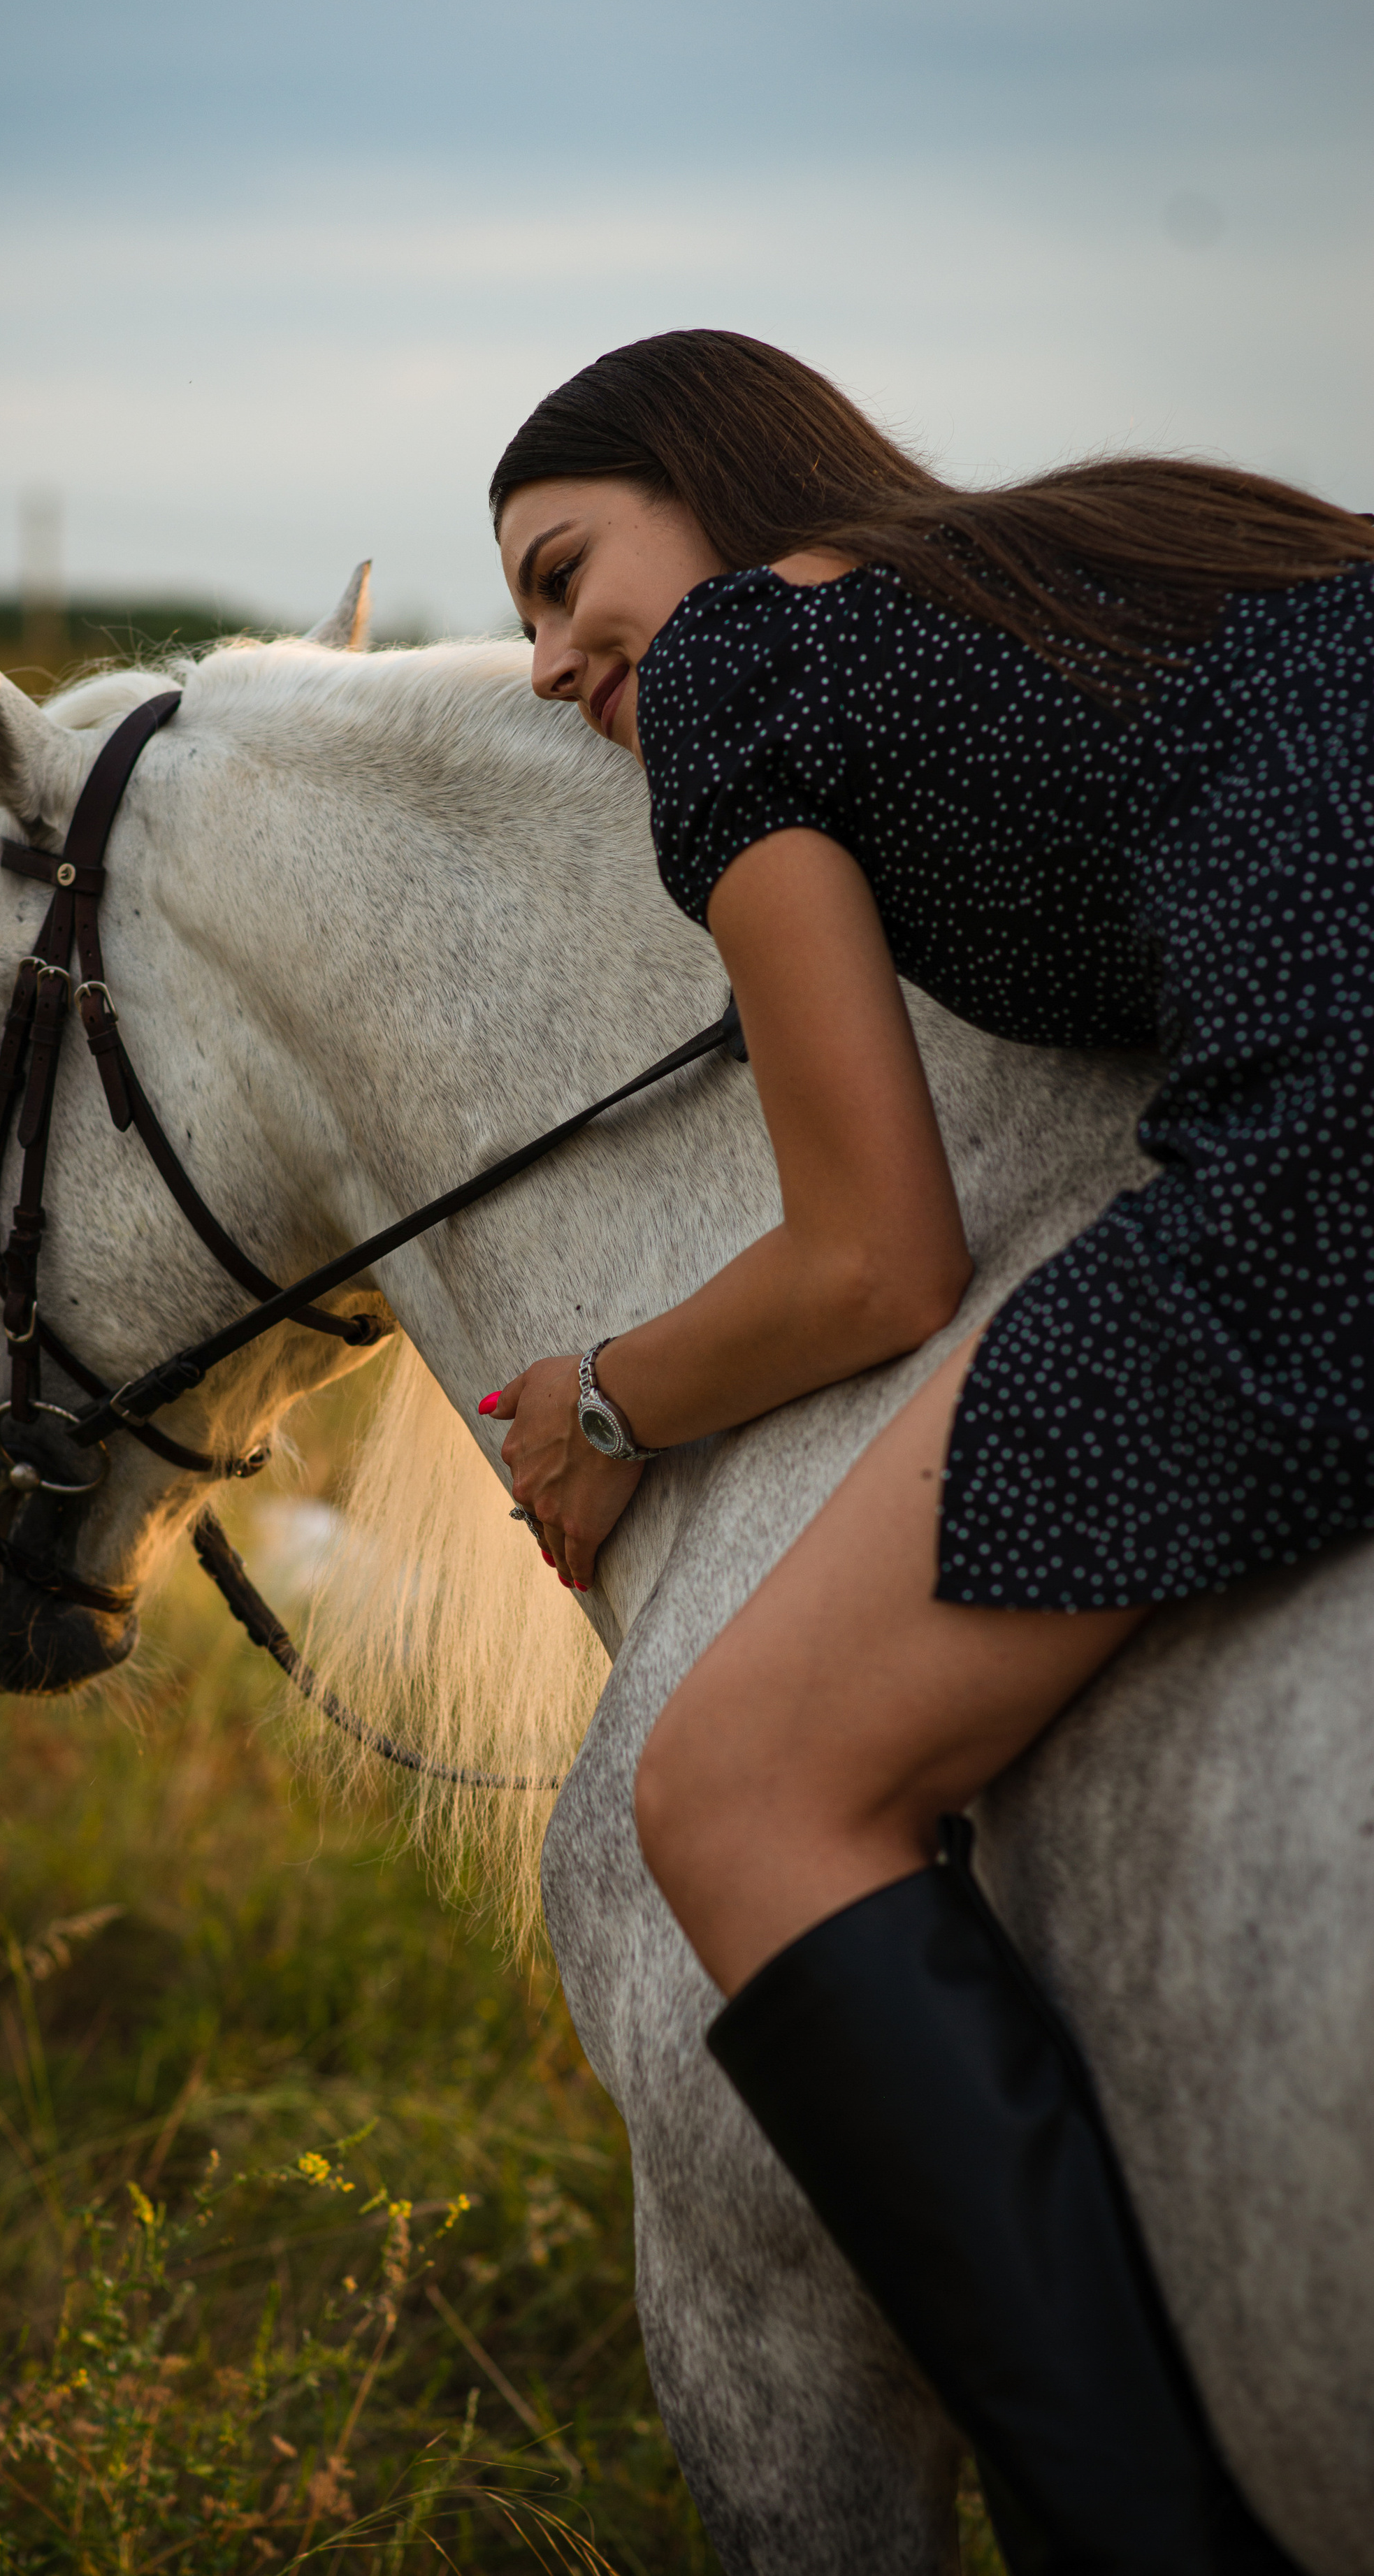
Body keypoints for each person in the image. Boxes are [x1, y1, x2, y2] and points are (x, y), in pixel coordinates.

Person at [483, 328, 1373, 2574]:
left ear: (711, 483)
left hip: (1341, 1150)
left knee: (734, 1791)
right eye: (524, 617)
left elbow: (876, 1256)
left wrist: (603, 1401)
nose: (552, 660)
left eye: (565, 571)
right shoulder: (1125, 543)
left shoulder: (747, 660)